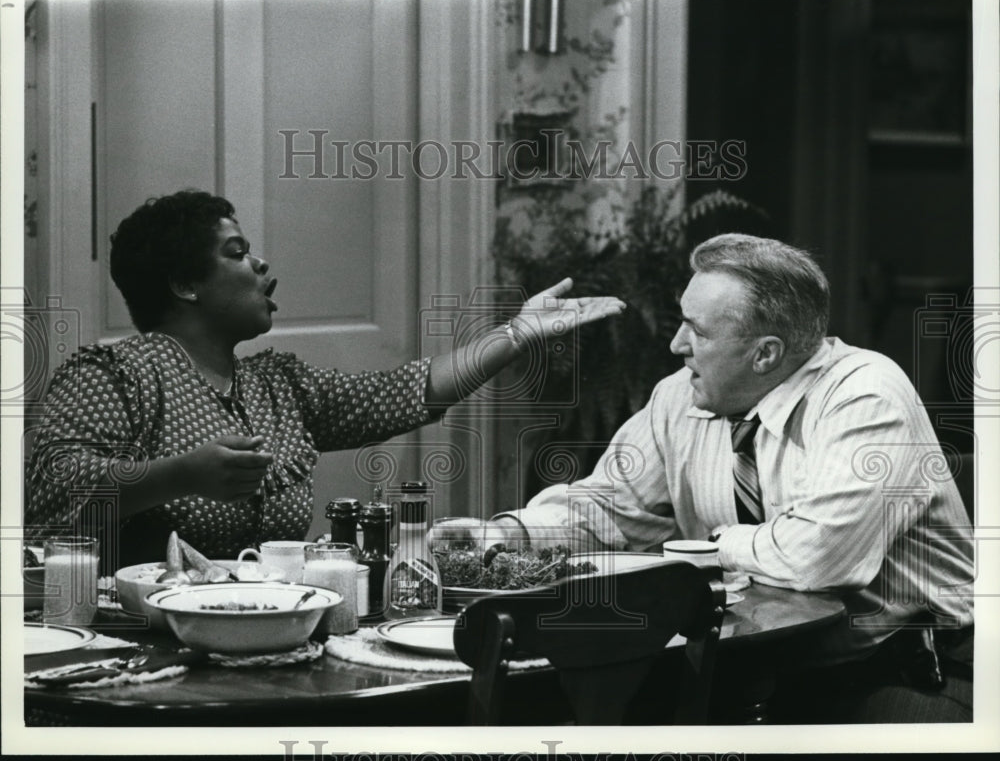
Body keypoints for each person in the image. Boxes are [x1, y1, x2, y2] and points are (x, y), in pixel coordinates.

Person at [488, 233, 974, 723]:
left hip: (906, 670)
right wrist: (506, 536)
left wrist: (714, 546)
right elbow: (609, 510)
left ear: (764, 354)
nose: (675, 344)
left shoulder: (865, 396)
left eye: (695, 330)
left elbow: (818, 558)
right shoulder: (682, 397)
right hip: (759, 668)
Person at [24, 189, 626, 568]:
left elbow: (411, 390)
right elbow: (51, 487)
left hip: (268, 628)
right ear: (185, 285)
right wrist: (178, 475)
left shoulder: (278, 385)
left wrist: (514, 336)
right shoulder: (116, 374)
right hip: (139, 645)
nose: (260, 263)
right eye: (236, 252)